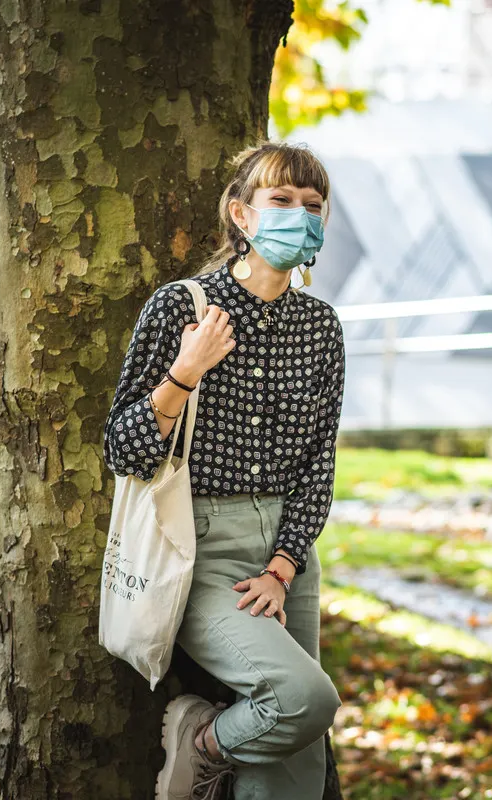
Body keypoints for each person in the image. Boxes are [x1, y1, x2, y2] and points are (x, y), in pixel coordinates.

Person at [103, 142, 346, 800]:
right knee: (302, 701)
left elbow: (318, 463)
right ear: (241, 215)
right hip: (199, 544)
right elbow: (122, 450)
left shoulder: (321, 328)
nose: (301, 215)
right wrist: (184, 373)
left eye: (313, 206)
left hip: (288, 552)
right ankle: (202, 741)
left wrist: (284, 565)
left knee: (294, 764)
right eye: (282, 201)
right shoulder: (182, 308)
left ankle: (216, 755)